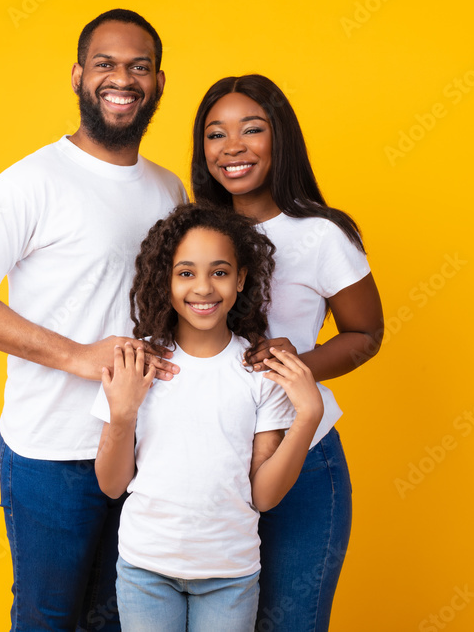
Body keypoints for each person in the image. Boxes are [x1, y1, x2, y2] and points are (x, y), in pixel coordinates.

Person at [0, 9, 186, 631]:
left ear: (156, 83)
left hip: (143, 448)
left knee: (118, 621)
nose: (122, 78)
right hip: (52, 452)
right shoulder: (32, 181)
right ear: (77, 76)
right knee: (47, 621)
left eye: (138, 67)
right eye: (105, 64)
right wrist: (78, 356)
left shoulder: (171, 188)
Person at [190, 74, 384, 632]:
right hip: (207, 465)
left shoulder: (321, 236)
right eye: (215, 134)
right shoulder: (193, 232)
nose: (232, 147)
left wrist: (295, 365)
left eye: (252, 129)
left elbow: (365, 334)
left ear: (281, 139)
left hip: (302, 463)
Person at [91, 203, 324, 631]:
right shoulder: (137, 363)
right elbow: (111, 485)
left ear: (241, 279)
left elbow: (265, 496)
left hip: (230, 575)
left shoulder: (260, 373)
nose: (203, 287)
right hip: (146, 568)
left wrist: (308, 416)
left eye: (219, 272)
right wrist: (122, 415)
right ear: (166, 280)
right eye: (185, 273)